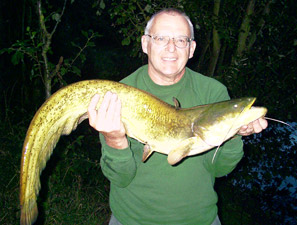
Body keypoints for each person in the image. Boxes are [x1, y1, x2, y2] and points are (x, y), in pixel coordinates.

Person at [88, 8, 268, 225]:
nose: (171, 47)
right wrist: (114, 140)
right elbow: (120, 178)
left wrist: (234, 134)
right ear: (146, 44)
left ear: (191, 49)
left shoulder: (213, 92)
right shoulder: (120, 95)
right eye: (161, 38)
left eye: (181, 40)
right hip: (131, 220)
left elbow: (220, 169)